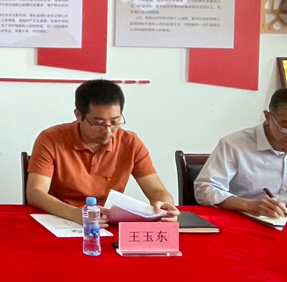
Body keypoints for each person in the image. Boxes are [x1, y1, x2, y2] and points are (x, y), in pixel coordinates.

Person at [26, 79, 179, 224]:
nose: (108, 131)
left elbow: (156, 190)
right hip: (61, 219)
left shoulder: (130, 143)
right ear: (78, 115)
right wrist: (74, 214)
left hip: (107, 221)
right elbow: (35, 192)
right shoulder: (51, 139)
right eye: (99, 123)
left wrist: (164, 205)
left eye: (114, 122)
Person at [194, 87, 287, 216]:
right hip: (247, 219)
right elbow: (205, 188)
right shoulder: (234, 144)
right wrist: (249, 205)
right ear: (268, 117)